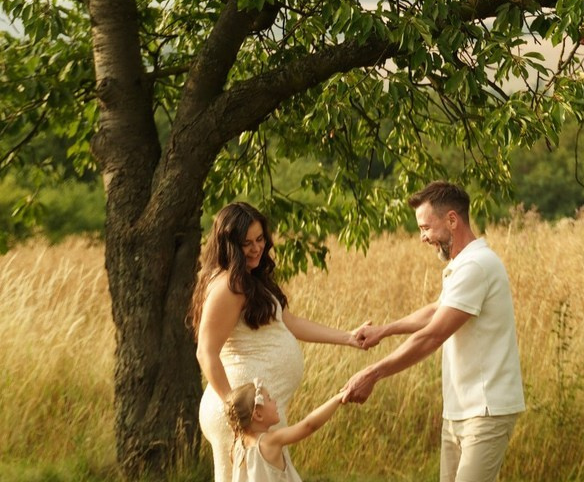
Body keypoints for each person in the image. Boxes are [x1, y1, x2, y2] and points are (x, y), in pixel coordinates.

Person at [342, 181, 525, 482]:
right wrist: (386, 330)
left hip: (486, 408)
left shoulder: (476, 266)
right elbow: (437, 310)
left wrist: (372, 374)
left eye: (425, 227)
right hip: (459, 409)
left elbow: (433, 335)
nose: (422, 238)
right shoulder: (463, 264)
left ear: (452, 220)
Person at [190, 201, 367, 482]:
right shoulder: (227, 287)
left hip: (257, 414)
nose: (256, 248)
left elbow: (289, 323)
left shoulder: (249, 280)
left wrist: (348, 338)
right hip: (245, 414)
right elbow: (206, 353)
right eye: (246, 243)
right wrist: (237, 414)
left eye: (260, 239)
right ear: (229, 246)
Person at [224, 376, 348, 482]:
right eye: (269, 398)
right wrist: (338, 398)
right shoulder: (269, 441)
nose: (275, 401)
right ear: (258, 415)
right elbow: (308, 425)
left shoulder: (237, 447)